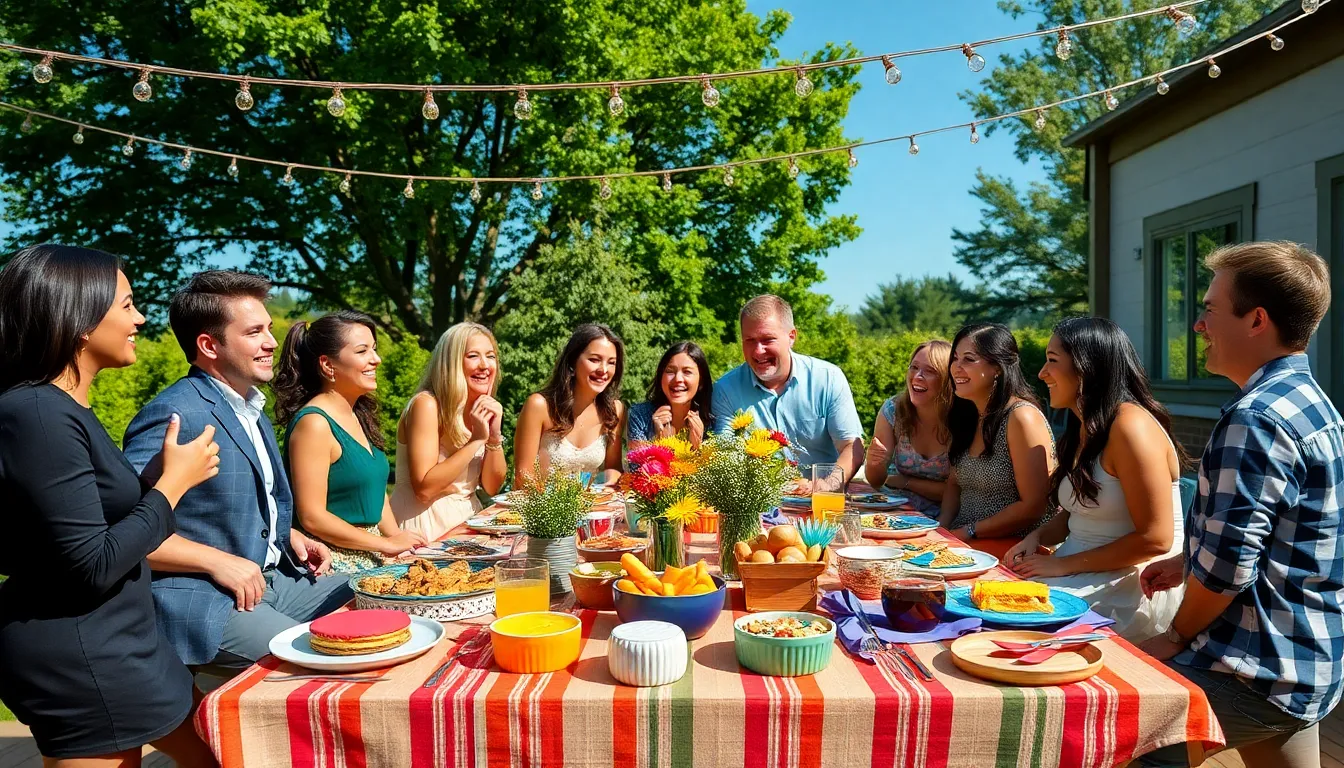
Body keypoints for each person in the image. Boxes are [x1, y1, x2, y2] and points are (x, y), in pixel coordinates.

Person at [0, 245, 219, 765]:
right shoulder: (37, 414)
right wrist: (172, 487)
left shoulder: (62, 409)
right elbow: (90, 564)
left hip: (127, 643)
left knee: (222, 754)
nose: (140, 318)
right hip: (83, 657)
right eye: (126, 305)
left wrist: (153, 484)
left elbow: (79, 526)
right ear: (79, 319)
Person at [1136, 242, 1343, 768]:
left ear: (1256, 320)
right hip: (1309, 660)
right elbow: (1290, 532)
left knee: (1120, 741)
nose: (1199, 325)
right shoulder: (1315, 405)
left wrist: (1174, 635)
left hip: (1252, 669)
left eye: (1209, 309)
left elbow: (1228, 568)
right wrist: (1187, 560)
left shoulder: (1257, 418)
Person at [124, 270, 352, 677]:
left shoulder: (251, 408)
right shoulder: (175, 413)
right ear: (209, 345)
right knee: (326, 661)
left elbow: (229, 503)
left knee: (380, 599)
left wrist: (285, 533)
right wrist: (217, 561)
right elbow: (124, 534)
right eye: (254, 332)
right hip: (208, 601)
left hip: (278, 581)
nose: (271, 342)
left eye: (268, 328)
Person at [1005, 317, 1186, 642]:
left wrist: (1063, 566)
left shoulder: (1130, 427)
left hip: (1128, 586)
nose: (1042, 373)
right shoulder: (1086, 426)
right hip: (1077, 569)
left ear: (1087, 367)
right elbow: (1079, 513)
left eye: (1052, 361)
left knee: (1012, 627)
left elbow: (1156, 539)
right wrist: (1037, 536)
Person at [275, 312, 428, 572]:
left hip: (372, 554)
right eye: (362, 351)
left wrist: (399, 543)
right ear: (327, 365)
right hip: (333, 564)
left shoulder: (358, 416)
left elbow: (375, 494)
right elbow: (312, 517)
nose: (376, 359)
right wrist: (384, 545)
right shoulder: (314, 424)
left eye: (374, 349)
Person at [711, 295, 865, 482]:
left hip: (821, 496)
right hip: (760, 499)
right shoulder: (725, 390)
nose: (758, 351)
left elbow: (852, 447)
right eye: (749, 340)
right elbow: (725, 454)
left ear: (791, 337)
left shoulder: (827, 378)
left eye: (768, 339)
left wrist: (826, 486)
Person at [938, 322, 1055, 557]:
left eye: (969, 359)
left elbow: (1034, 505)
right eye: (955, 358)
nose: (956, 367)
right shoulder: (969, 415)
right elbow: (953, 484)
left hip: (1014, 551)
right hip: (964, 546)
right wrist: (941, 530)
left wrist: (969, 532)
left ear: (998, 368)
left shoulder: (1021, 417)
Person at [389, 323, 507, 541]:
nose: (485, 365)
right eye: (473, 356)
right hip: (424, 530)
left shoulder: (481, 408)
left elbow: (491, 487)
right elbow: (424, 489)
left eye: (490, 356)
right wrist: (475, 441)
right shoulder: (426, 405)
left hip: (467, 527)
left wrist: (493, 436)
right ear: (451, 363)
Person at [514, 324, 627, 487]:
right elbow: (523, 477)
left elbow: (613, 469)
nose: (604, 369)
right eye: (594, 360)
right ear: (572, 363)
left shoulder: (615, 410)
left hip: (593, 502)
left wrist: (608, 486)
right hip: (538, 501)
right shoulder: (539, 406)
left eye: (611, 362)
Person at [863, 340, 953, 513]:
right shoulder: (893, 410)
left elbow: (956, 492)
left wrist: (905, 481)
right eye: (914, 367)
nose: (917, 376)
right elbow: (876, 481)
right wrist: (874, 463)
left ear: (947, 379)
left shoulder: (963, 420)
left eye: (930, 371)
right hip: (895, 510)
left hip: (945, 517)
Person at [626, 341, 714, 448]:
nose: (678, 379)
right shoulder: (640, 416)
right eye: (670, 371)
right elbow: (636, 458)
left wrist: (696, 446)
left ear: (701, 382)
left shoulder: (712, 423)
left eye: (687, 372)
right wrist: (660, 442)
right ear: (661, 376)